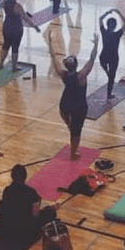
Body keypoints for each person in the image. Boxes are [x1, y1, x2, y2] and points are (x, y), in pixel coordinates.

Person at [48, 29, 98, 160]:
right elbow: (92, 59)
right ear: (76, 65)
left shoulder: (63, 74)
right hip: (78, 107)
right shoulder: (81, 75)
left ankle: (70, 126)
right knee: (76, 132)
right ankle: (73, 153)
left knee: (68, 122)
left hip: (65, 105)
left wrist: (50, 43)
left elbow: (53, 58)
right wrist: (96, 44)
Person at [0, 164, 57, 244]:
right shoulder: (31, 193)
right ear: (25, 177)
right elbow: (35, 214)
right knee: (51, 213)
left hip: (8, 227)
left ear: (12, 176)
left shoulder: (7, 190)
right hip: (25, 229)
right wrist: (49, 209)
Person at [0, 0, 40, 70]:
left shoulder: (4, 3)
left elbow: (2, 7)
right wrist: (35, 27)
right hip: (16, 29)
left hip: (6, 27)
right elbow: (26, 18)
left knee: (5, 45)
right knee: (15, 48)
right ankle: (14, 66)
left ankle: (1, 63)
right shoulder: (18, 6)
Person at [99, 9, 125, 99]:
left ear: (107, 25)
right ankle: (109, 94)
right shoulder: (117, 34)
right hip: (113, 57)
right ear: (115, 26)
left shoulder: (104, 32)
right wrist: (119, 13)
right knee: (111, 78)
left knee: (103, 63)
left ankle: (106, 70)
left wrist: (107, 13)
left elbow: (100, 19)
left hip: (104, 56)